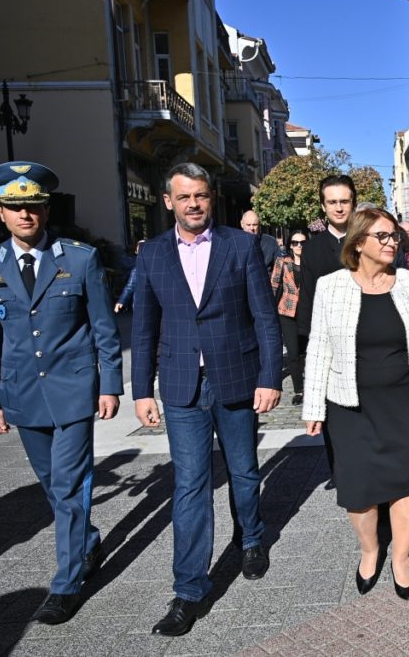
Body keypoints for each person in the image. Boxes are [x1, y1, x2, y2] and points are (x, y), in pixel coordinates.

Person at [132, 163, 282, 636]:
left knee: (244, 470)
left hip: (236, 377)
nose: (193, 204)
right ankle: (189, 590)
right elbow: (143, 327)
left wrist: (270, 377)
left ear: (210, 198)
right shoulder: (152, 254)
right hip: (181, 385)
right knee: (191, 485)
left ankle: (251, 538)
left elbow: (265, 318)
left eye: (200, 195)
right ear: (168, 202)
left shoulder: (240, 246)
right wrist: (141, 390)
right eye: (184, 197)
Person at [0, 161, 123, 624]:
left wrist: (110, 385)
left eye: (34, 206)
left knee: (68, 486)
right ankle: (88, 541)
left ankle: (66, 583)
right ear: (0, 212)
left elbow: (105, 329)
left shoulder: (79, 259)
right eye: (15, 207)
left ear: (46, 210)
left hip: (74, 391)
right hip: (22, 394)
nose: (25, 214)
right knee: (51, 486)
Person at [302, 208, 409, 601]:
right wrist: (313, 406)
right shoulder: (331, 287)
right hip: (350, 406)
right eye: (382, 236)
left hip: (405, 402)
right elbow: (318, 347)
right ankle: (370, 551)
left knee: (407, 482)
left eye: (394, 236)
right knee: (359, 488)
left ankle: (401, 558)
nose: (392, 243)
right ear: (358, 243)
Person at [298, 174, 356, 474]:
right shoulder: (312, 249)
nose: (339, 208)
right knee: (336, 422)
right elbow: (307, 301)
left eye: (344, 201)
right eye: (332, 202)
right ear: (323, 206)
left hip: (369, 344)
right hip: (331, 350)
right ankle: (344, 478)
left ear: (353, 203)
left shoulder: (369, 240)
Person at [271, 230, 309, 406]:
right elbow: (274, 285)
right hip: (287, 312)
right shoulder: (283, 262)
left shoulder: (312, 262)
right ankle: (299, 390)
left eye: (302, 242)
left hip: (308, 312)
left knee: (306, 353)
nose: (299, 246)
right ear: (290, 245)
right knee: (293, 353)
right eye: (295, 243)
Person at [114, 239, 145, 313]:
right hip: (141, 303)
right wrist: (121, 301)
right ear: (136, 251)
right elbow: (130, 286)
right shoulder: (137, 267)